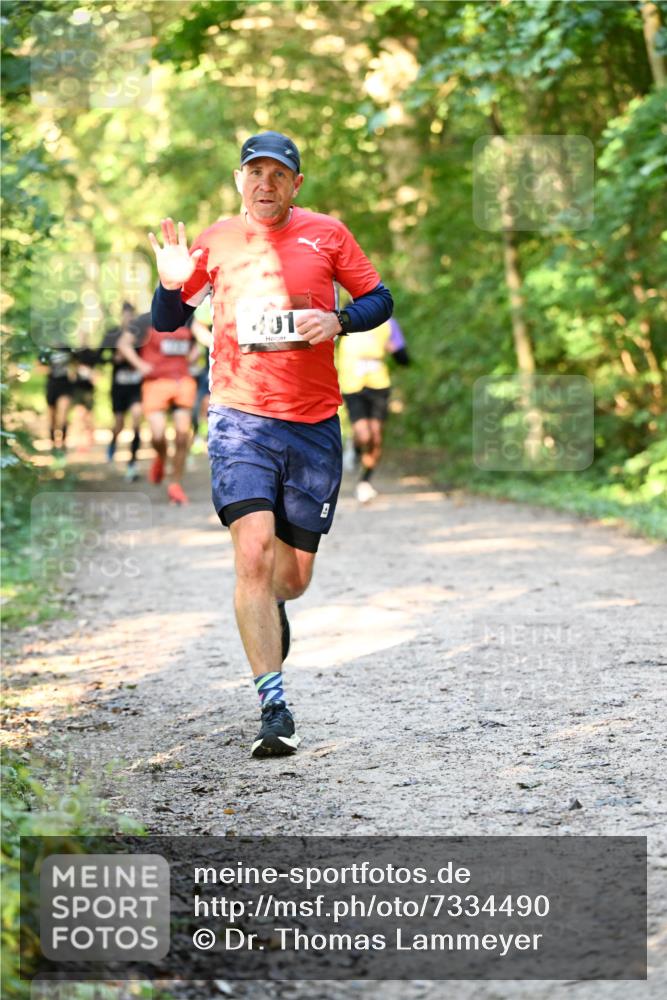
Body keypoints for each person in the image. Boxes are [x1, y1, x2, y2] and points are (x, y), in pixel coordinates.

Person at [148, 130, 393, 758]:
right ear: (239, 181)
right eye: (254, 172)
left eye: (278, 174)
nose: (265, 184)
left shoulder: (328, 234)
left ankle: (273, 608)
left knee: (292, 577)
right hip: (239, 418)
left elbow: (380, 300)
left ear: (295, 184)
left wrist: (337, 319)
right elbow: (168, 322)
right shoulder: (215, 241)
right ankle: (272, 705)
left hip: (312, 425)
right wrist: (172, 282)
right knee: (251, 556)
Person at [115, 312, 198, 504]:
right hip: (155, 383)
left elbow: (205, 339)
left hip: (181, 381)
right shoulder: (145, 320)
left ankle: (175, 484)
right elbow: (123, 343)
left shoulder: (188, 318)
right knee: (158, 435)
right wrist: (140, 364)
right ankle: (161, 457)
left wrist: (195, 354)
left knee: (182, 436)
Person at [337, 316, 410, 502]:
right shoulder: (344, 318)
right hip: (352, 384)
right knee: (364, 435)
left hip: (379, 385)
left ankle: (365, 481)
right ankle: (354, 446)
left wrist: (396, 351)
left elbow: (403, 357)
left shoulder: (389, 323)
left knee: (376, 435)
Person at [103, 302, 146, 481]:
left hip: (136, 387)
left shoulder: (142, 335)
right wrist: (115, 358)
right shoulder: (112, 334)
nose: (129, 319)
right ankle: (113, 441)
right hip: (118, 387)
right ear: (121, 316)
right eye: (126, 315)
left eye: (131, 315)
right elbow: (99, 357)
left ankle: (132, 463)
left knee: (137, 419)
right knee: (119, 423)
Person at [41, 344, 74, 463]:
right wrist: (48, 369)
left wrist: (73, 371)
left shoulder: (67, 347)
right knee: (52, 418)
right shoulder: (45, 349)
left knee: (63, 414)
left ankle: (63, 445)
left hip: (65, 385)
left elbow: (76, 362)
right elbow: (39, 366)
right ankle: (53, 445)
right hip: (51, 385)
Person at [189, 298, 213, 455]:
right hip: (214, 364)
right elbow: (197, 327)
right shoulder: (210, 298)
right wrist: (217, 343)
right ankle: (201, 436)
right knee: (204, 402)